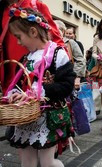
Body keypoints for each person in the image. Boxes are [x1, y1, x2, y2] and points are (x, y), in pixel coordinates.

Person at [7, 7, 75, 167]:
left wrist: (42, 91)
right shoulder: (26, 57)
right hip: (26, 119)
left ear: (33, 32)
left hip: (47, 120)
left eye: (19, 37)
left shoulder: (58, 53)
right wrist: (14, 94)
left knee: (47, 163)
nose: (18, 42)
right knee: (27, 162)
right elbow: (18, 83)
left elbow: (67, 85)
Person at [0, 0, 64, 94]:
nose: (18, 42)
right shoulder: (3, 10)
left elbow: (56, 40)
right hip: (11, 83)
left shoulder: (36, 5)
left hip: (37, 82)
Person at [54, 20, 86, 87]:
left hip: (68, 79)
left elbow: (81, 60)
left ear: (62, 31)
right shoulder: (50, 43)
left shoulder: (70, 43)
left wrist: (77, 77)